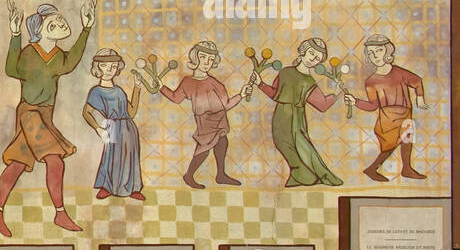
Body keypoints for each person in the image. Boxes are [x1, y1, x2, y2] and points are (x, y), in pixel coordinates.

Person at [0, 0, 96, 236]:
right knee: (55, 159)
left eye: (61, 21)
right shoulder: (29, 52)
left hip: (45, 115)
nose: (61, 24)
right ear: (40, 30)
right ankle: (60, 213)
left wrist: (86, 28)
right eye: (54, 23)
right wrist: (15, 35)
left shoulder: (58, 56)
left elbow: (70, 63)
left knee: (18, 163)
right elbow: (11, 69)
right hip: (30, 113)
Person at [246, 37, 343, 187]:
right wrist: (260, 84)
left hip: (296, 118)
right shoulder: (285, 72)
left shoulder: (309, 81)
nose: (313, 58)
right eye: (311, 53)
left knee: (301, 145)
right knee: (282, 143)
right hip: (280, 116)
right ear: (303, 52)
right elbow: (275, 93)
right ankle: (301, 174)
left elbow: (322, 105)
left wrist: (335, 95)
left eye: (317, 58)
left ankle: (306, 176)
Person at [158, 40, 244, 188]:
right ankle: (189, 175)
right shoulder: (187, 82)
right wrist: (161, 87)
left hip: (219, 118)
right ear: (195, 57)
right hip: (204, 120)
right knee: (204, 148)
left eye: (211, 59)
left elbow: (226, 104)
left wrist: (241, 95)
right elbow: (175, 98)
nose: (206, 62)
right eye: (203, 57)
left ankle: (221, 174)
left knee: (222, 142)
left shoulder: (216, 83)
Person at [343, 34, 428, 181]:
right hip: (388, 117)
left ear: (387, 50)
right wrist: (355, 101)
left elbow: (417, 81)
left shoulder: (399, 72)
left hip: (405, 112)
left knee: (407, 140)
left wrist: (420, 97)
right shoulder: (371, 81)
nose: (375, 55)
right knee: (390, 145)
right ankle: (371, 169)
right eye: (371, 52)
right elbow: (372, 105)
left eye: (379, 50)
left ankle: (407, 168)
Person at [82, 49, 144, 200]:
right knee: (111, 156)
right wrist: (98, 128)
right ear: (98, 67)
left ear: (118, 68)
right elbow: (86, 112)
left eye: (114, 66)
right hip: (113, 126)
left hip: (129, 127)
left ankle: (133, 188)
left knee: (130, 157)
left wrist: (137, 87)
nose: (110, 70)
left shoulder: (119, 91)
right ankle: (107, 187)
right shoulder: (96, 91)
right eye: (105, 65)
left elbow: (131, 112)